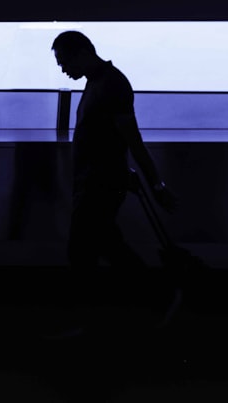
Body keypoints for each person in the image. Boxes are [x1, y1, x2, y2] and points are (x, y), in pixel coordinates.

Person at [51, 31, 178, 290]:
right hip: (99, 180)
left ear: (83, 53)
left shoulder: (111, 85)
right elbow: (114, 137)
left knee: (82, 251)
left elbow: (133, 139)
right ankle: (157, 297)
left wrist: (156, 185)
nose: (63, 69)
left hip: (98, 185)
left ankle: (153, 298)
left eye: (64, 61)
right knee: (107, 246)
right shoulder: (100, 81)